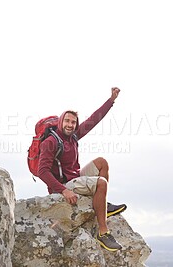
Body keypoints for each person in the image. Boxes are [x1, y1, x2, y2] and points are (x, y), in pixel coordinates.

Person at [38, 87, 127, 251]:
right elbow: (41, 171)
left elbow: (94, 119)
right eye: (67, 121)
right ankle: (103, 232)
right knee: (101, 183)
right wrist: (64, 190)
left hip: (75, 177)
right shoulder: (50, 142)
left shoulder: (73, 136)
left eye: (73, 122)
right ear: (60, 122)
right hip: (64, 186)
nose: (70, 125)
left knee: (102, 162)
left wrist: (111, 100)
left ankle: (101, 204)